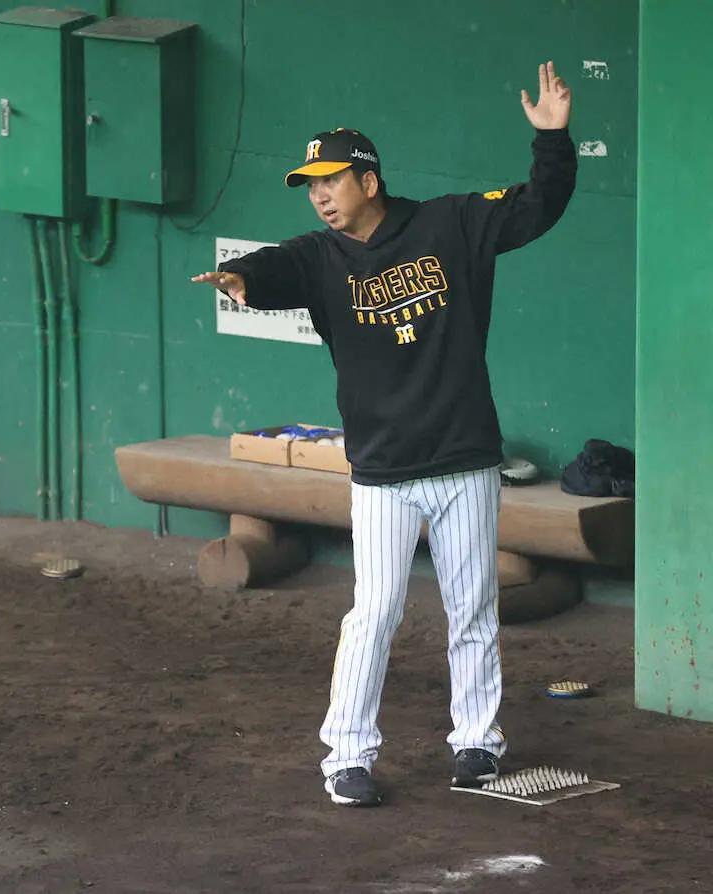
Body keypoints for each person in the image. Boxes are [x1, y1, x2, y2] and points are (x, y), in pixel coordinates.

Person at [193, 63, 575, 806]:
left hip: (464, 459)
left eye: (330, 180)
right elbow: (273, 268)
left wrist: (552, 139)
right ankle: (347, 756)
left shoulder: (451, 223)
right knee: (374, 613)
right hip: (383, 472)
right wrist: (242, 278)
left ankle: (476, 742)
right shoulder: (317, 255)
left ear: (369, 179)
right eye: (310, 185)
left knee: (473, 609)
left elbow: (537, 206)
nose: (320, 196)